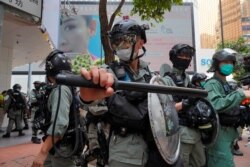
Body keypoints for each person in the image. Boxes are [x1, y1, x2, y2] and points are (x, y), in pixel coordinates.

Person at [81, 18, 183, 167]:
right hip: (125, 153)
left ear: (141, 42)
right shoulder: (108, 73)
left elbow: (165, 110)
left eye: (126, 41)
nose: (120, 46)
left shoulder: (152, 76)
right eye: (116, 42)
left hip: (156, 151)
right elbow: (90, 102)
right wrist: (87, 92)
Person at [32, 50, 82, 167]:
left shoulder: (61, 89)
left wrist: (43, 152)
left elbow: (60, 124)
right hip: (58, 144)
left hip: (62, 146)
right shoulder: (69, 87)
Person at [161, 44, 206, 167]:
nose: (186, 58)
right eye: (182, 55)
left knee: (200, 163)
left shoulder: (187, 78)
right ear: (174, 57)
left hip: (195, 130)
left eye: (188, 56)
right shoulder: (166, 80)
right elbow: (166, 109)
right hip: (180, 132)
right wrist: (186, 103)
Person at [204, 48, 250, 167]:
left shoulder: (225, 84)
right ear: (216, 64)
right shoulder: (212, 83)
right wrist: (241, 94)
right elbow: (216, 104)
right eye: (225, 63)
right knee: (222, 163)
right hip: (219, 133)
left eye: (231, 63)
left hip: (229, 133)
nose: (228, 65)